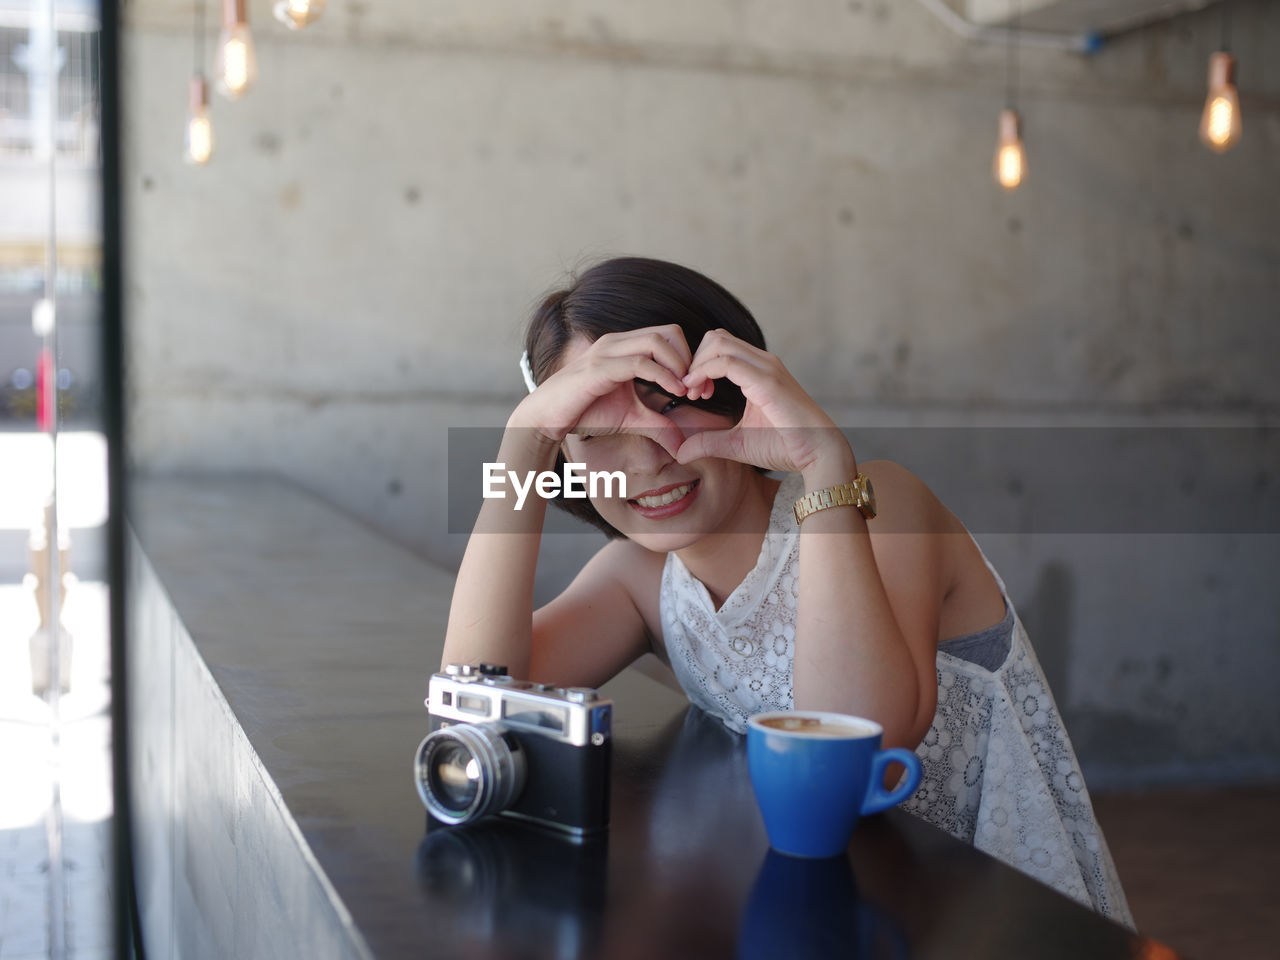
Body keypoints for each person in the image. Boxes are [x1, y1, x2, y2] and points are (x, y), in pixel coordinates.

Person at [443, 256, 1132, 925]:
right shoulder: (639, 577)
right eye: (593, 431)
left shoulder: (880, 502)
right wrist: (521, 446)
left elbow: (851, 744)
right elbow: (477, 703)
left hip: (982, 920)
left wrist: (821, 460)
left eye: (675, 405)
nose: (650, 458)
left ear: (738, 386)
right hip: (825, 906)